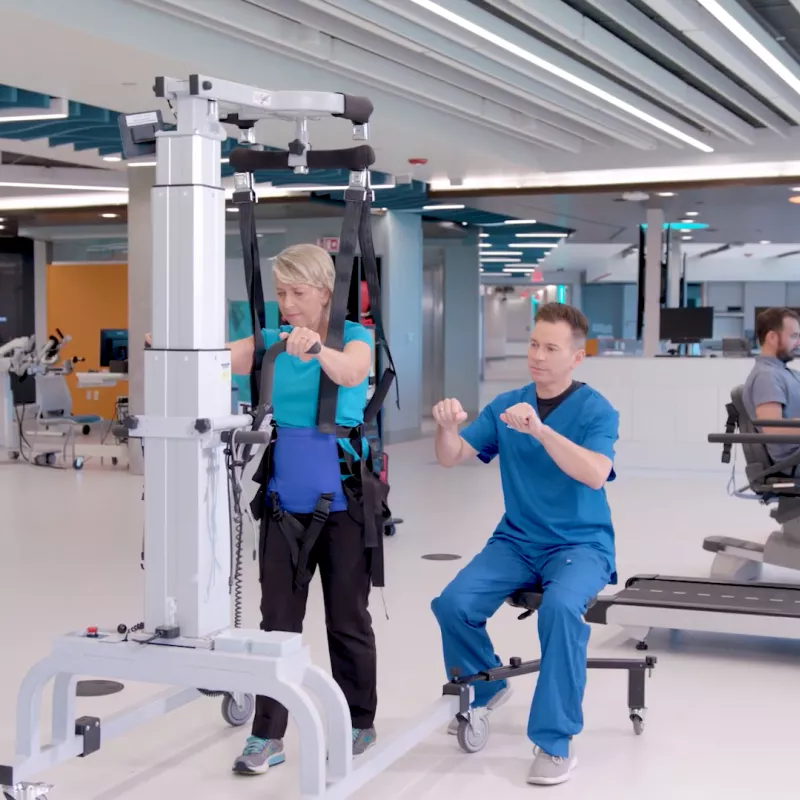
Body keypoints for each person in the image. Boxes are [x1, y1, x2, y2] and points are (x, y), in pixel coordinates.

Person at [430, 302, 618, 787]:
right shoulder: (505, 405)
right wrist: (447, 428)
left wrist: (540, 429)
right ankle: (485, 685)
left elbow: (595, 473)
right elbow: (452, 458)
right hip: (517, 540)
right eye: (534, 344)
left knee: (559, 610)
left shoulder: (596, 410)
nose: (537, 355)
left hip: (580, 544)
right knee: (452, 603)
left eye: (551, 348)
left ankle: (555, 742)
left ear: (576, 357)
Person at [225, 243, 379, 775]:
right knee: (278, 624)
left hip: (344, 501)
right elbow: (218, 354)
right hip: (283, 502)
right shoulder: (270, 343)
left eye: (297, 292)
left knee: (347, 618)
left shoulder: (356, 338)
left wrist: (316, 350)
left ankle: (359, 721)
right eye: (281, 292)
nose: (286, 303)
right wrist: (173, 346)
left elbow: (353, 374)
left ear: (323, 292)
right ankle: (268, 735)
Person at [743, 307, 800, 467]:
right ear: (772, 337)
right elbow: (773, 429)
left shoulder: (786, 373)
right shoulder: (766, 376)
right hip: (793, 462)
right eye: (794, 336)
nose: (799, 342)